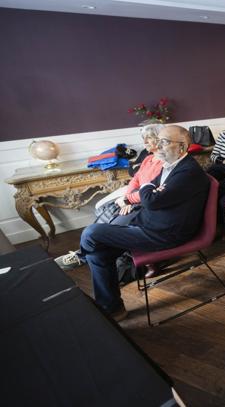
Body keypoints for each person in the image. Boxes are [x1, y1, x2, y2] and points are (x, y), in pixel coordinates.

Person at [79, 125, 210, 320]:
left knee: (91, 232)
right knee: (98, 254)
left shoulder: (188, 172)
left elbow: (150, 199)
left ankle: (79, 256)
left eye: (164, 142)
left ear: (182, 147)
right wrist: (151, 189)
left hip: (164, 234)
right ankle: (113, 309)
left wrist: (150, 190)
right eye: (158, 140)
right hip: (149, 224)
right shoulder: (171, 165)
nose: (158, 146)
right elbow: (148, 188)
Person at [56, 123, 166, 274]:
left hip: (147, 204)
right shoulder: (148, 159)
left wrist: (129, 201)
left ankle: (82, 256)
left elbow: (152, 189)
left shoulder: (164, 162)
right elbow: (136, 179)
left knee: (113, 222)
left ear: (160, 140)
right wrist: (126, 197)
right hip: (134, 197)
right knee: (106, 209)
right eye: (144, 139)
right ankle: (87, 255)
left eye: (149, 139)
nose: (145, 142)